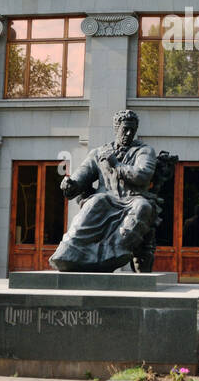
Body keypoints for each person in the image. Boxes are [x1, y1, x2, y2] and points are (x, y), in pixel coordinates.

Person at [49, 110, 164, 272]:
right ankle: (69, 252)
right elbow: (81, 175)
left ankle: (114, 252)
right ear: (116, 129)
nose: (129, 133)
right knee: (95, 202)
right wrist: (70, 184)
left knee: (142, 207)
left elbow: (142, 175)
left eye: (132, 130)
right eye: (125, 129)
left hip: (134, 198)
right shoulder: (98, 153)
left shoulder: (144, 151)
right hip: (106, 199)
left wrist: (116, 164)